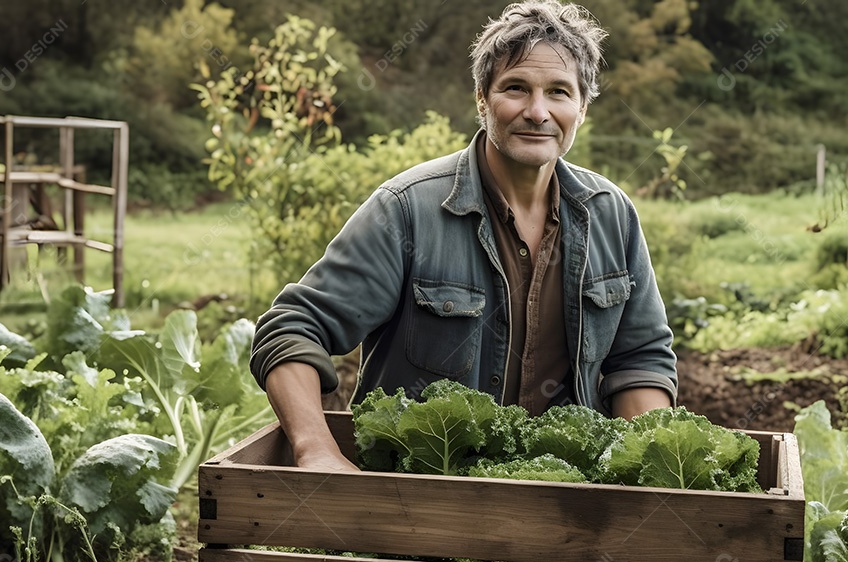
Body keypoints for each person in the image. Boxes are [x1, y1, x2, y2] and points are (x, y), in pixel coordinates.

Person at [249, 0, 678, 472]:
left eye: (559, 92)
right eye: (516, 88)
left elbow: (641, 359)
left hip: (568, 509)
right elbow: (292, 327)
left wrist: (645, 473)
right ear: (481, 98)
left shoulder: (611, 215)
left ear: (582, 106)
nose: (537, 112)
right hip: (420, 502)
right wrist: (316, 450)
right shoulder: (408, 209)